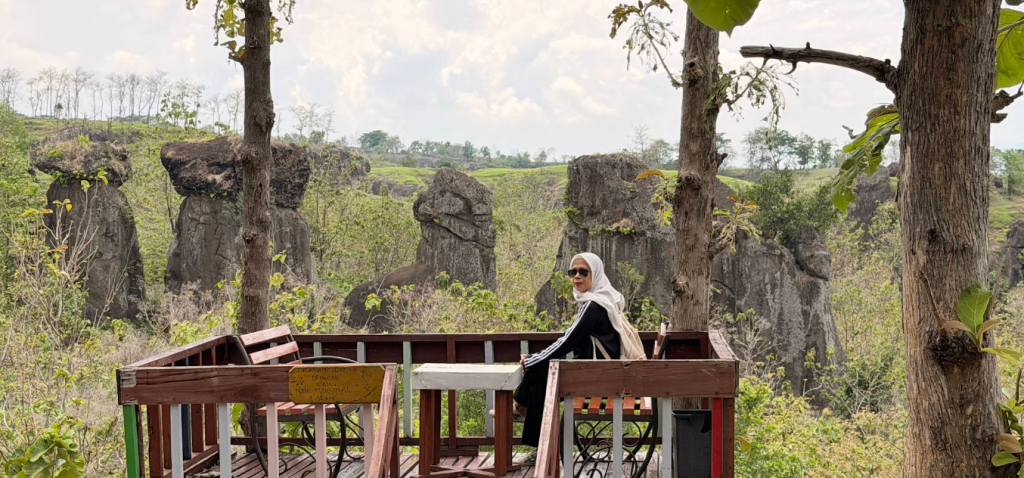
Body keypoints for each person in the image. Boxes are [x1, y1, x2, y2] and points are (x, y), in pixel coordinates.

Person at [507, 252, 646, 464]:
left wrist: (531, 360)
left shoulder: (593, 306)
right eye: (573, 272)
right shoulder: (605, 299)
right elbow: (568, 339)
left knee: (541, 371)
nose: (577, 277)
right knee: (542, 376)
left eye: (583, 272)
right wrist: (536, 360)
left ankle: (520, 410)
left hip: (597, 379)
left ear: (596, 273)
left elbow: (567, 342)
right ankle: (522, 414)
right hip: (607, 374)